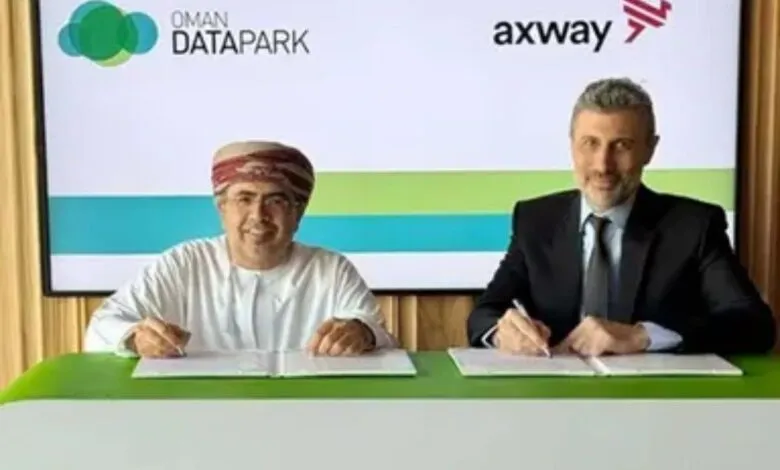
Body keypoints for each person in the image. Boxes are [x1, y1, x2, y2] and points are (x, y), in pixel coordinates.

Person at [467, 77, 776, 357]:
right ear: (572, 145)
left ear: (650, 150)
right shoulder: (535, 220)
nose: (603, 165)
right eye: (590, 144)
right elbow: (484, 314)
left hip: (657, 406)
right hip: (556, 401)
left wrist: (643, 336)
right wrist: (501, 333)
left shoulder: (694, 225)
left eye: (622, 146)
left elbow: (753, 326)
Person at [84, 140, 397, 358]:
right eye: (244, 199)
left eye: (275, 201)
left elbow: (382, 339)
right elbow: (101, 329)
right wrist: (136, 339)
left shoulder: (330, 270)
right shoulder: (185, 263)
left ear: (297, 213)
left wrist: (363, 333)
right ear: (222, 209)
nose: (258, 216)